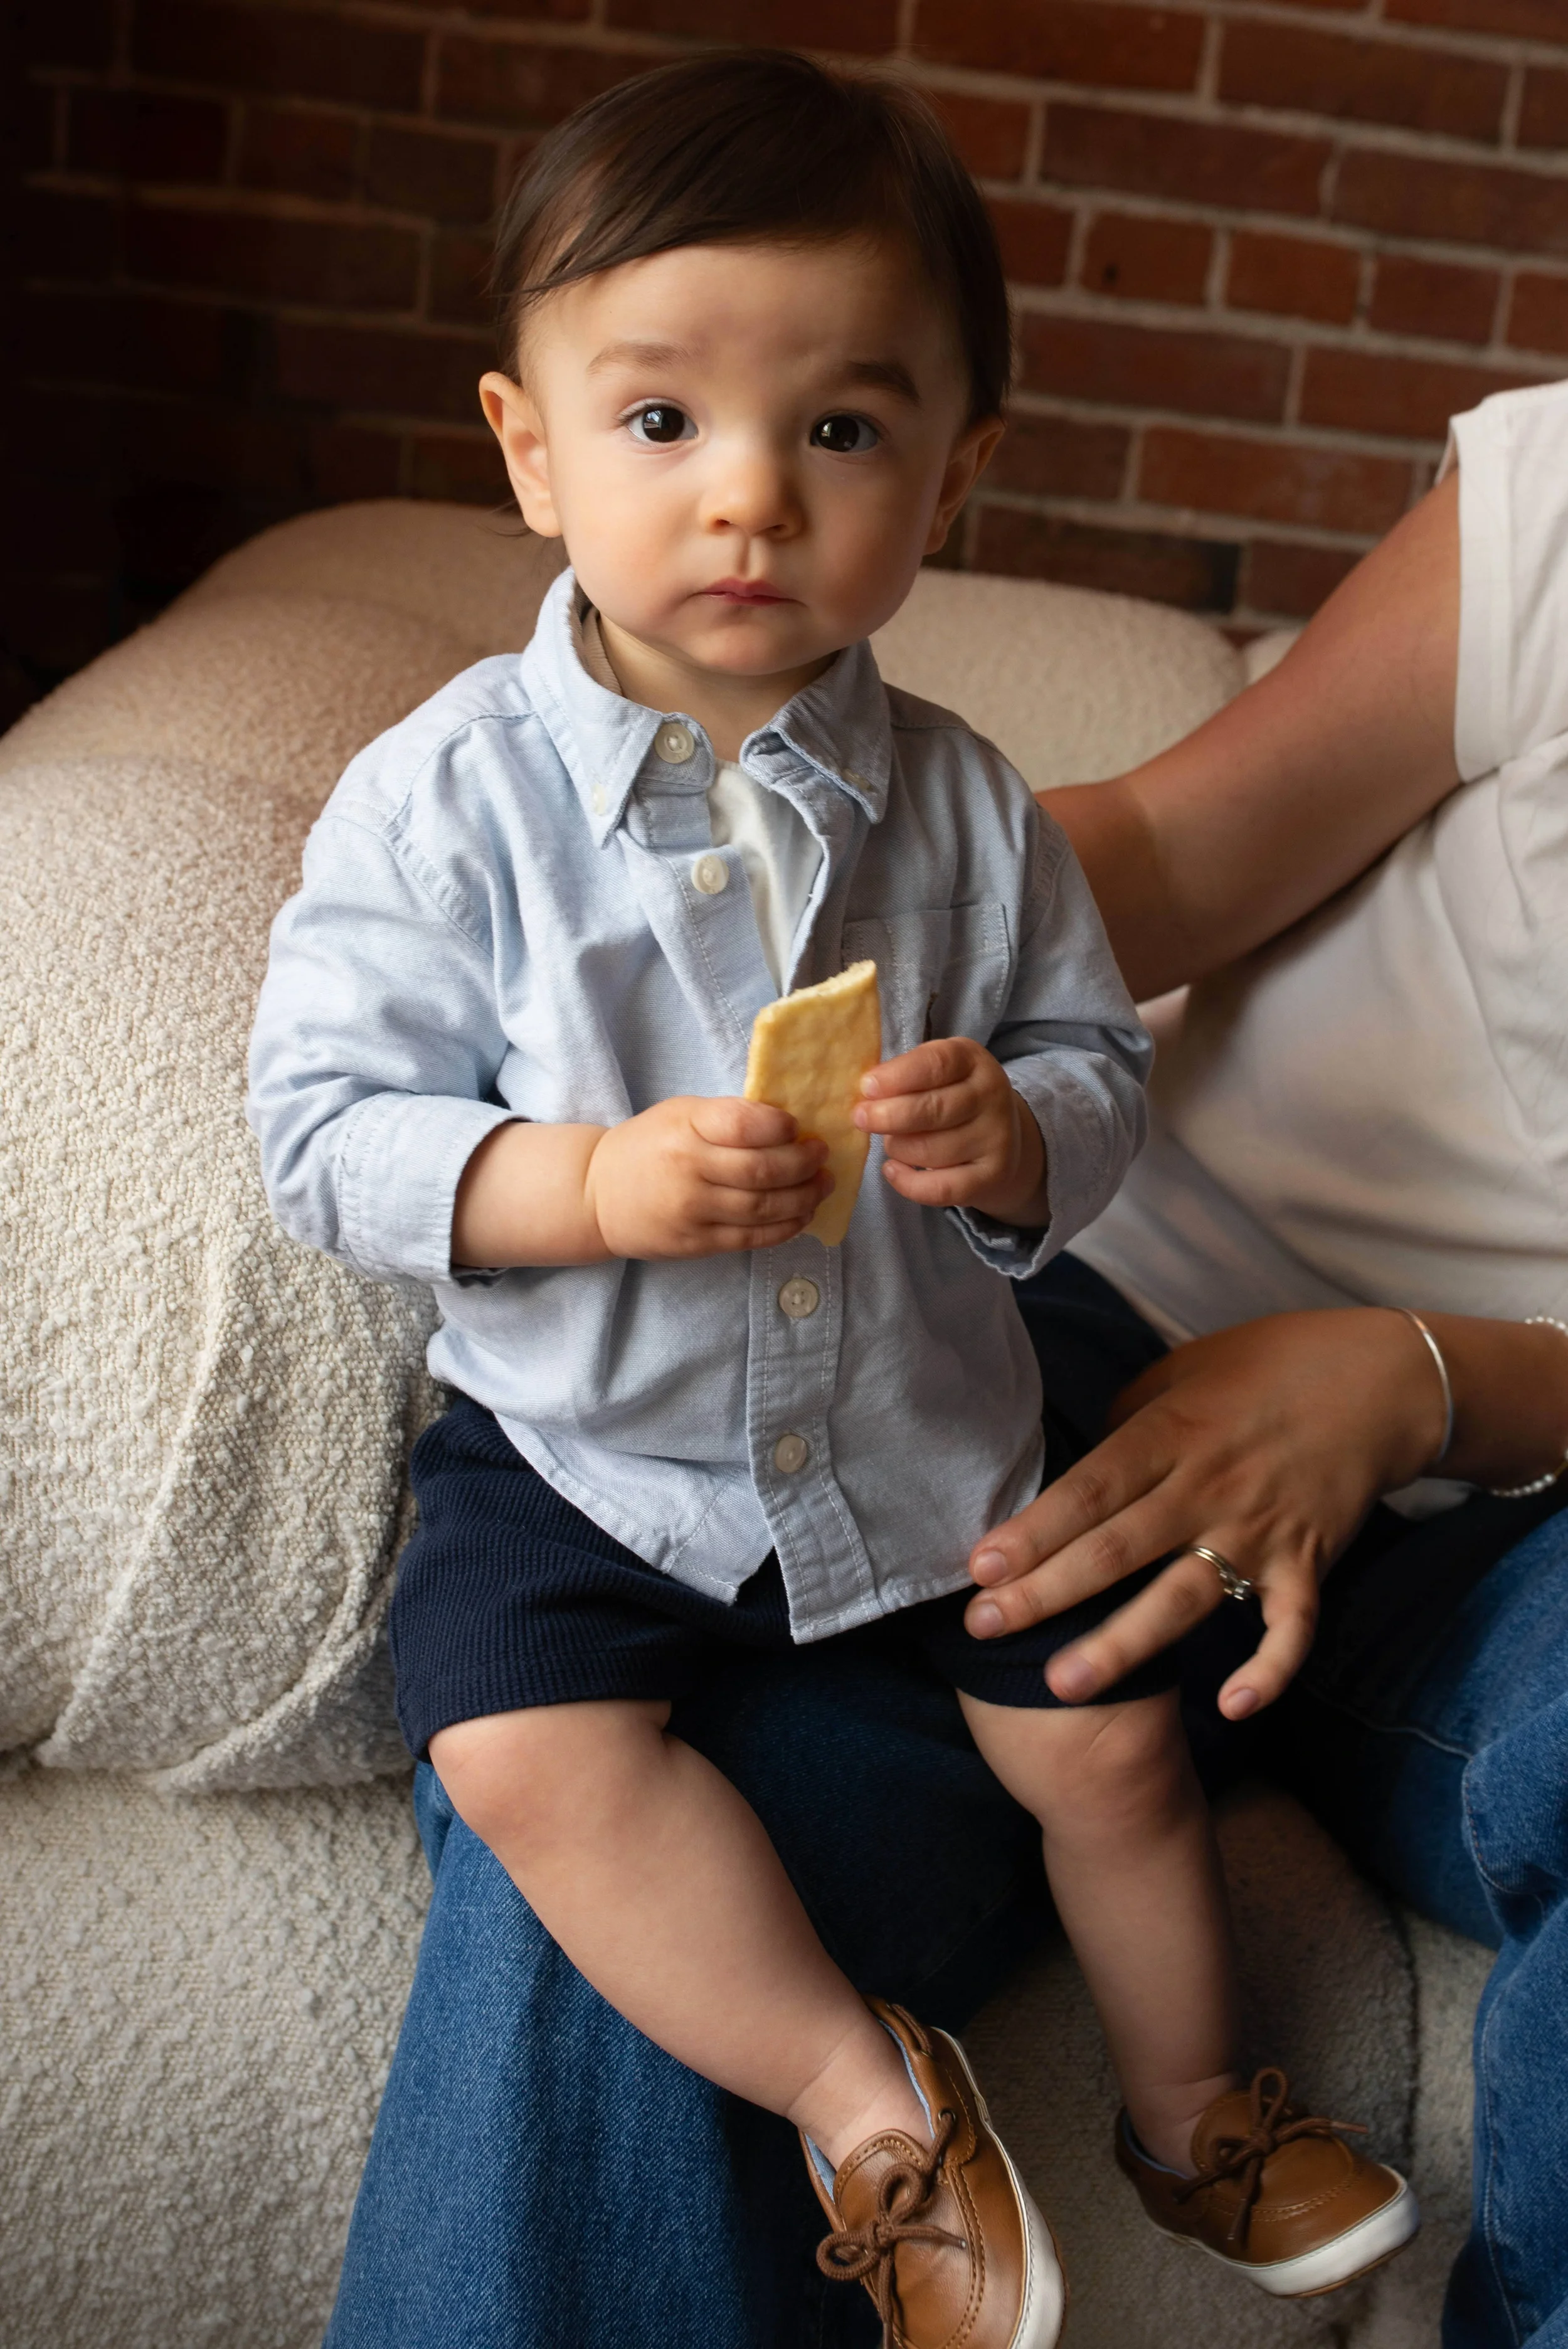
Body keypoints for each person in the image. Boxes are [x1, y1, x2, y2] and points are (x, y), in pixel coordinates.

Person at [305, 80, 1568, 2349]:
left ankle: (1196, 2115)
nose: (750, 498)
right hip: (600, 1450)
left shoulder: (964, 812)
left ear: (958, 476)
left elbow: (1085, 1067)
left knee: (1097, 1728)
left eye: (847, 432)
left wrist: (1023, 1142)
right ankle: (856, 2094)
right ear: (527, 449)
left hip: (923, 1422)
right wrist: (576, 1181)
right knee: (521, 1757)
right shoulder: (445, 803)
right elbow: (325, 1133)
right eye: (664, 418)